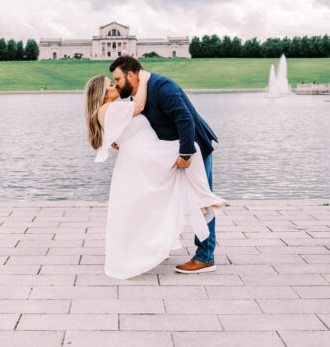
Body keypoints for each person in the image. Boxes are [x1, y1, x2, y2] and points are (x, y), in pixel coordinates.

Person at [84, 65, 225, 279]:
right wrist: (145, 79)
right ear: (102, 94)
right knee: (160, 202)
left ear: (131, 75)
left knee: (155, 204)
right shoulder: (119, 105)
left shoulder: (156, 89)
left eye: (117, 80)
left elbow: (181, 119)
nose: (116, 85)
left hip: (157, 153)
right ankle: (205, 202)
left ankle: (201, 250)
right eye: (111, 84)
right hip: (150, 156)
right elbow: (139, 109)